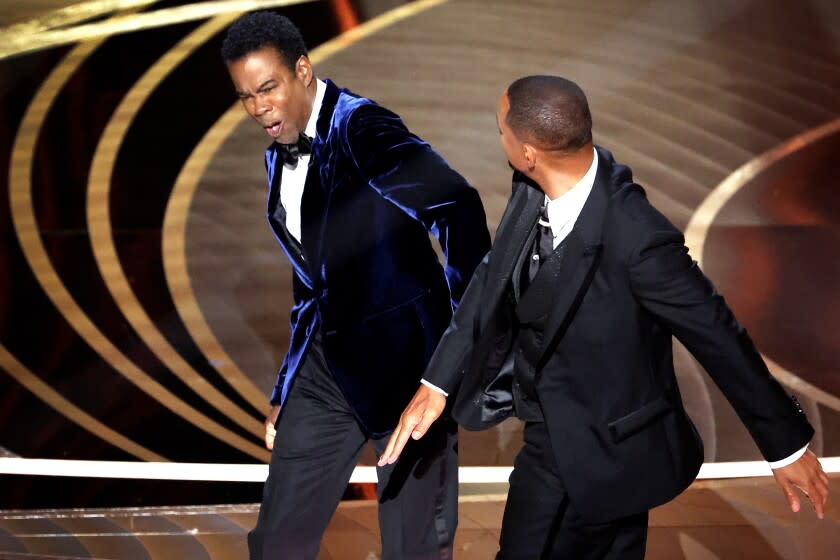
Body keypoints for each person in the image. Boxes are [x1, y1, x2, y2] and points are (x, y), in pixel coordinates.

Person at [379, 75, 829, 559]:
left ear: (530, 151)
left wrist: (784, 445)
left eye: (502, 131)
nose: (501, 140)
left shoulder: (639, 239)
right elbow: (494, 276)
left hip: (614, 448)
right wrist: (438, 382)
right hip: (554, 435)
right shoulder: (532, 188)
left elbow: (718, 334)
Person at [221, 11, 490, 560]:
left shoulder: (363, 128)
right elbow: (311, 284)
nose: (258, 108)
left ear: (302, 70)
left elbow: (459, 209)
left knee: (413, 548)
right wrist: (285, 389)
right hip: (327, 368)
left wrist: (451, 356)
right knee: (277, 542)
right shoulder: (278, 155)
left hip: (405, 373)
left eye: (268, 88)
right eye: (246, 96)